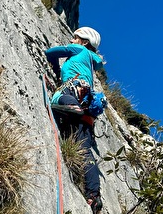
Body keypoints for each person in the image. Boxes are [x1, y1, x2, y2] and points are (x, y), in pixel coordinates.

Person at [45, 27, 104, 214]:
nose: (72, 39)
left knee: (59, 97)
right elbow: (100, 62)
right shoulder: (93, 61)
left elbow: (51, 52)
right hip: (88, 106)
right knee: (85, 151)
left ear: (84, 42)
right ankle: (94, 195)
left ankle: (70, 105)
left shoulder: (79, 49)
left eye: (76, 37)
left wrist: (56, 68)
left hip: (73, 89)